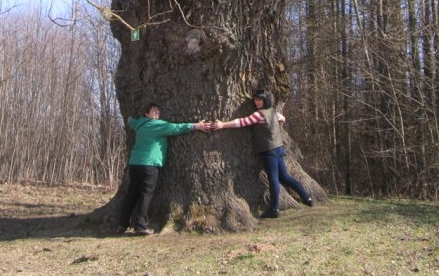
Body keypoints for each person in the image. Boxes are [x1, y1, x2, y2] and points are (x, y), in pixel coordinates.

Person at [213, 89, 313, 218]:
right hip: (278, 148)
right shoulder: (273, 113)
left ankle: (274, 209)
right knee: (284, 177)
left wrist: (222, 125)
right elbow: (283, 118)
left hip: (269, 150)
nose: (257, 102)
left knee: (274, 179)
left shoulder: (259, 115)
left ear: (265, 100)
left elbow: (242, 122)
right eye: (255, 99)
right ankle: (306, 197)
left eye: (259, 99)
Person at [118, 103, 210, 235]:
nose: (157, 113)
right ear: (147, 114)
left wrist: (129, 118)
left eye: (158, 111)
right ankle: (140, 225)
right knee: (145, 194)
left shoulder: (139, 123)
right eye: (153, 111)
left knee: (132, 193)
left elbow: (130, 120)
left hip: (135, 164)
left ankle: (122, 223)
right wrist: (196, 126)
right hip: (149, 165)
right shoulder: (157, 125)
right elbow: (176, 128)